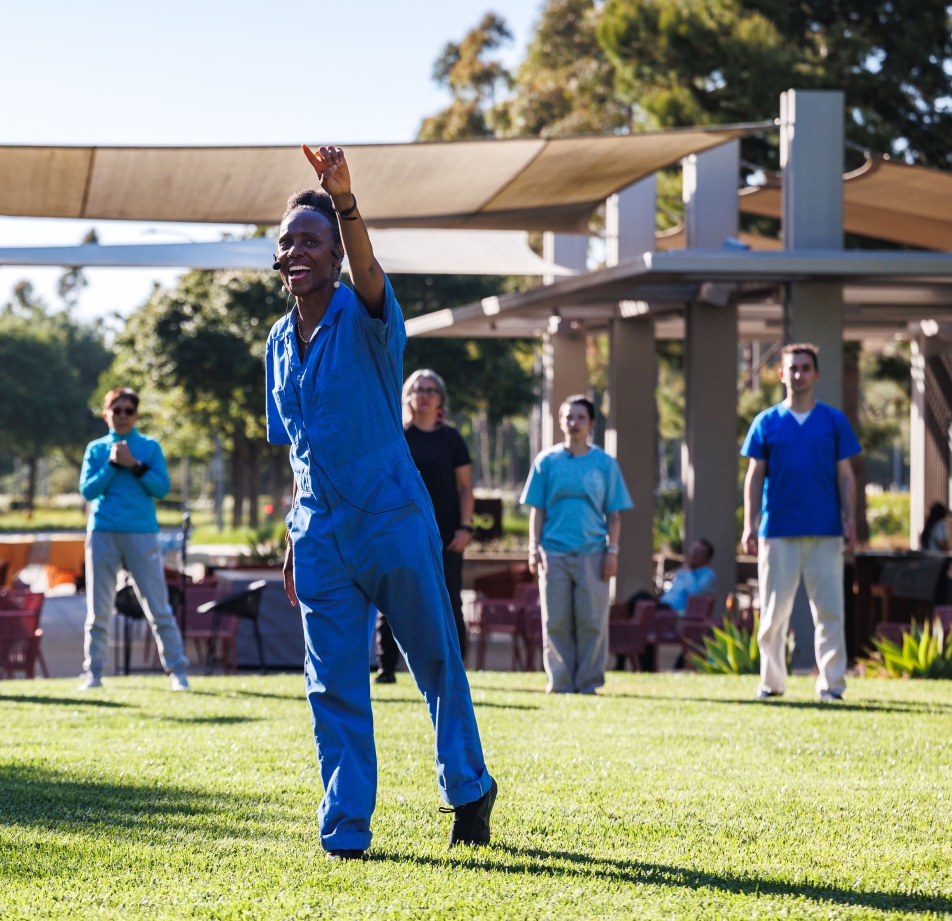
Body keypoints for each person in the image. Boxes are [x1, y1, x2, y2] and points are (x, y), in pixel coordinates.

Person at [267, 144, 496, 858]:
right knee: (331, 683)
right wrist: (291, 545)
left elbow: (371, 274)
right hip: (320, 536)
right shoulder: (277, 343)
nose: (294, 251)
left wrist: (345, 200)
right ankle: (346, 830)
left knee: (435, 662)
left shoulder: (365, 314)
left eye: (310, 240)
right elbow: (298, 453)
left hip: (392, 522)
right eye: (286, 242)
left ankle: (469, 789)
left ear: (336, 254)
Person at [742, 342, 861, 702]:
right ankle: (772, 682)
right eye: (792, 368)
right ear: (781, 374)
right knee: (774, 614)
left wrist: (850, 519)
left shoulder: (833, 421)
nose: (799, 374)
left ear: (816, 374)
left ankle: (831, 685)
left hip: (825, 531)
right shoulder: (766, 422)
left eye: (805, 367)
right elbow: (754, 475)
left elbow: (846, 475)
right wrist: (750, 523)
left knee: (829, 612)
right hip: (777, 530)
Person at [77, 387, 190, 692]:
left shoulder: (150, 447)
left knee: (158, 607)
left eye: (129, 410)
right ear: (106, 415)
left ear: (136, 415)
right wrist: (113, 465)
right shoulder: (96, 449)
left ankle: (177, 672)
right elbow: (88, 491)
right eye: (117, 410)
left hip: (142, 533)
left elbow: (161, 489)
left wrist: (134, 465)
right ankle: (94, 673)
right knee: (98, 610)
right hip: (103, 533)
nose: (123, 415)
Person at [521, 395, 633, 694]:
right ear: (560, 422)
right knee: (555, 622)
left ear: (591, 423)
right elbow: (537, 509)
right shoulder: (546, 461)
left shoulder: (605, 464)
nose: (574, 422)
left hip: (593, 554)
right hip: (553, 553)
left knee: (592, 623)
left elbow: (614, 514)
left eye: (580, 417)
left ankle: (588, 683)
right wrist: (533, 548)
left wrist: (612, 551)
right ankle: (559, 682)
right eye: (568, 417)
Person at [374, 369, 474, 683]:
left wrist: (465, 528)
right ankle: (386, 667)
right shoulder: (396, 436)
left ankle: (455, 667)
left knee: (449, 600)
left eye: (431, 390)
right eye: (418, 390)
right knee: (392, 598)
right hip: (402, 530)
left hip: (445, 533)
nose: (425, 395)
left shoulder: (452, 439)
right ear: (408, 397)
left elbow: (465, 488)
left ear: (440, 397)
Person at [660, 539, 717, 616]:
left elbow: (695, 595)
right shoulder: (682, 570)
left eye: (699, 551)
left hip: (677, 613)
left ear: (707, 559)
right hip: (664, 608)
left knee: (642, 596)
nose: (694, 553)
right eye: (693, 549)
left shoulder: (708, 575)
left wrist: (687, 571)